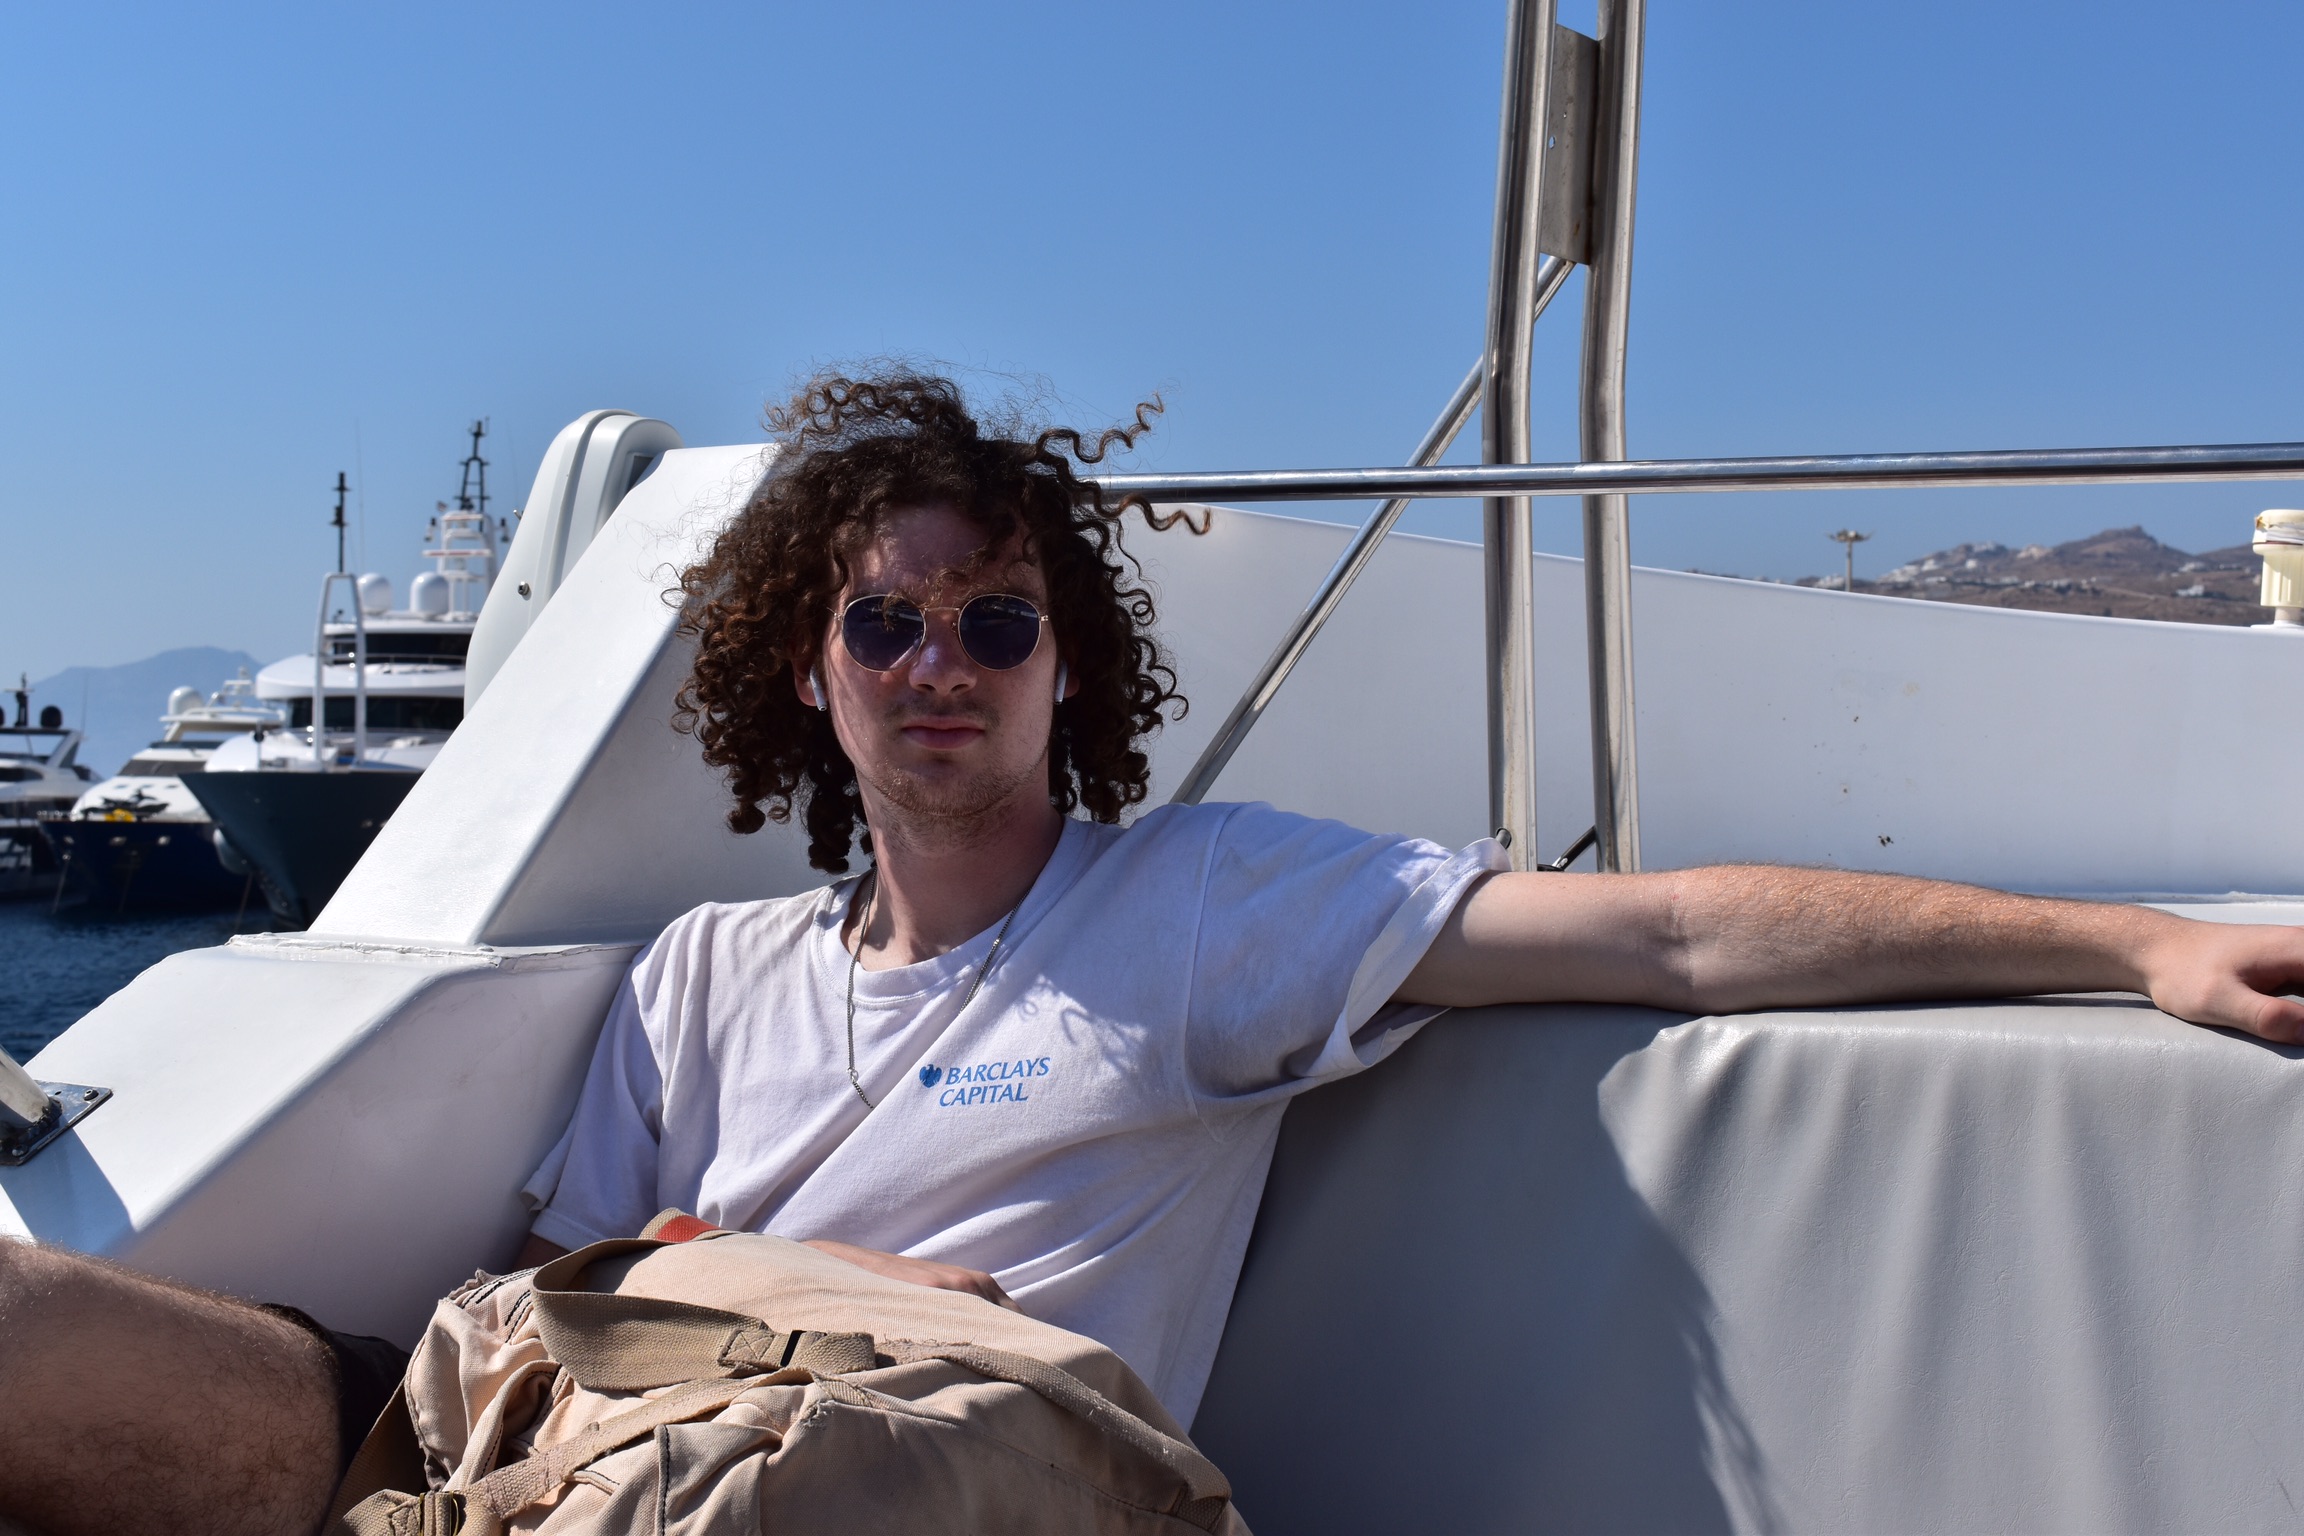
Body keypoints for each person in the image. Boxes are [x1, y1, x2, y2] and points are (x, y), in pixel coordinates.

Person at [5, 371, 2303, 1536]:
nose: (940, 664)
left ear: (1065, 668)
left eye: (996, 624)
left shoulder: (1203, 909)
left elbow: (1678, 931)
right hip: (584, 1429)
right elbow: (558, 1290)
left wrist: (2131, 945)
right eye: (886, 624)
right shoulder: (701, 973)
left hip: (939, 1472)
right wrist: (757, 1274)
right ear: (809, 671)